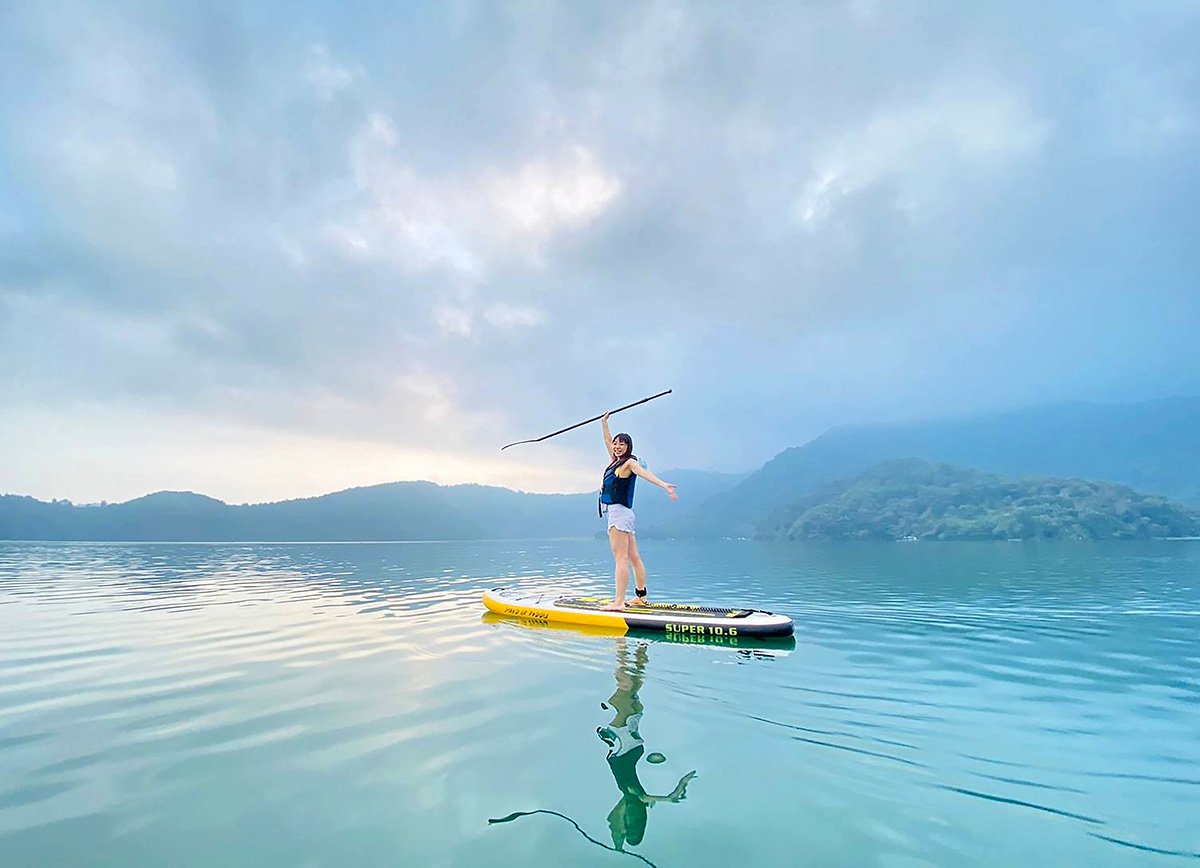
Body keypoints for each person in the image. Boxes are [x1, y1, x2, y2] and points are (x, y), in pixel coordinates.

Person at [599, 411, 677, 611]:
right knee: (634, 557)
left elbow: (644, 473)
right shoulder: (614, 461)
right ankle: (641, 597)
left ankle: (618, 602)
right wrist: (604, 422)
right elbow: (607, 440)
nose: (617, 446)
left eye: (621, 444)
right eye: (616, 443)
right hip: (625, 515)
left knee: (621, 558)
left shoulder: (629, 463)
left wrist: (664, 485)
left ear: (628, 447)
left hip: (619, 515)